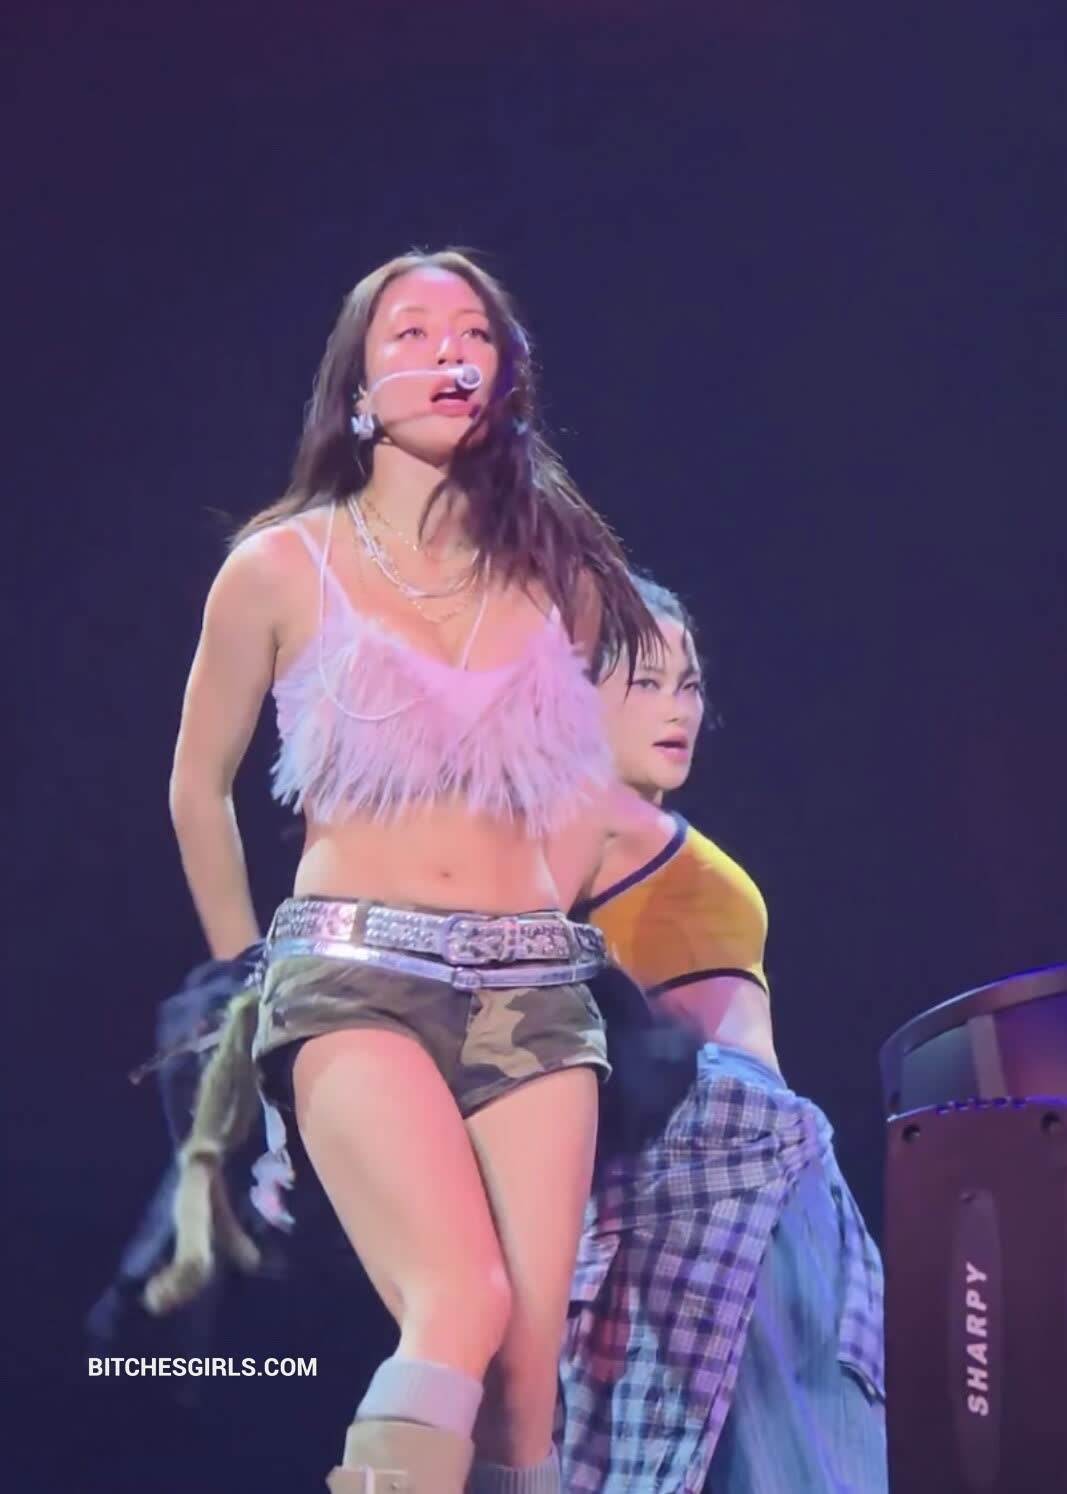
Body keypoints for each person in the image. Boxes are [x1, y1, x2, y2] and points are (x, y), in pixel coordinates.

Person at [165, 248, 661, 1494]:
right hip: (353, 977)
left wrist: (542, 907)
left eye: (473, 334)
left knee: (529, 1380)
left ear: (503, 378)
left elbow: (575, 784)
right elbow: (196, 786)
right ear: (356, 389)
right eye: (412, 332)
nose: (448, 352)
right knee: (459, 1297)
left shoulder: (554, 577)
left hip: (535, 992)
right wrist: (242, 978)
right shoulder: (281, 566)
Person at [552, 577, 888, 1493]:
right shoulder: (581, 810)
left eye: (690, 685)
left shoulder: (624, 816)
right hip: (705, 1160)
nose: (678, 709)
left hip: (748, 1155)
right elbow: (511, 944)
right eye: (645, 682)